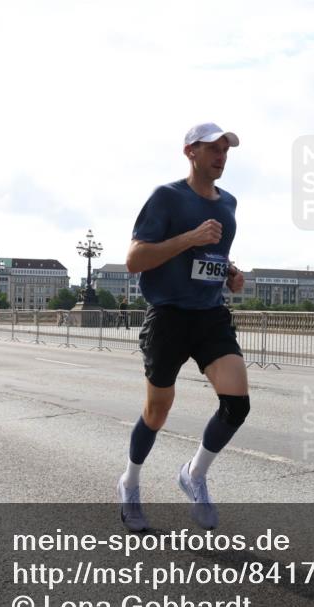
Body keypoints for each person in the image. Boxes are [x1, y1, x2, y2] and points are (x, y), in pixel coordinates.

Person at [119, 122, 248, 532]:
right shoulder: (167, 197)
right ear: (190, 151)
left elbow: (211, 256)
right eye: (213, 148)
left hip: (210, 314)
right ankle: (131, 482)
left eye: (226, 150)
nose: (221, 155)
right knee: (157, 411)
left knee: (237, 404)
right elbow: (135, 259)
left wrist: (229, 272)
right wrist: (189, 237)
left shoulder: (228, 203)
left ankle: (194, 473)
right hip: (169, 315)